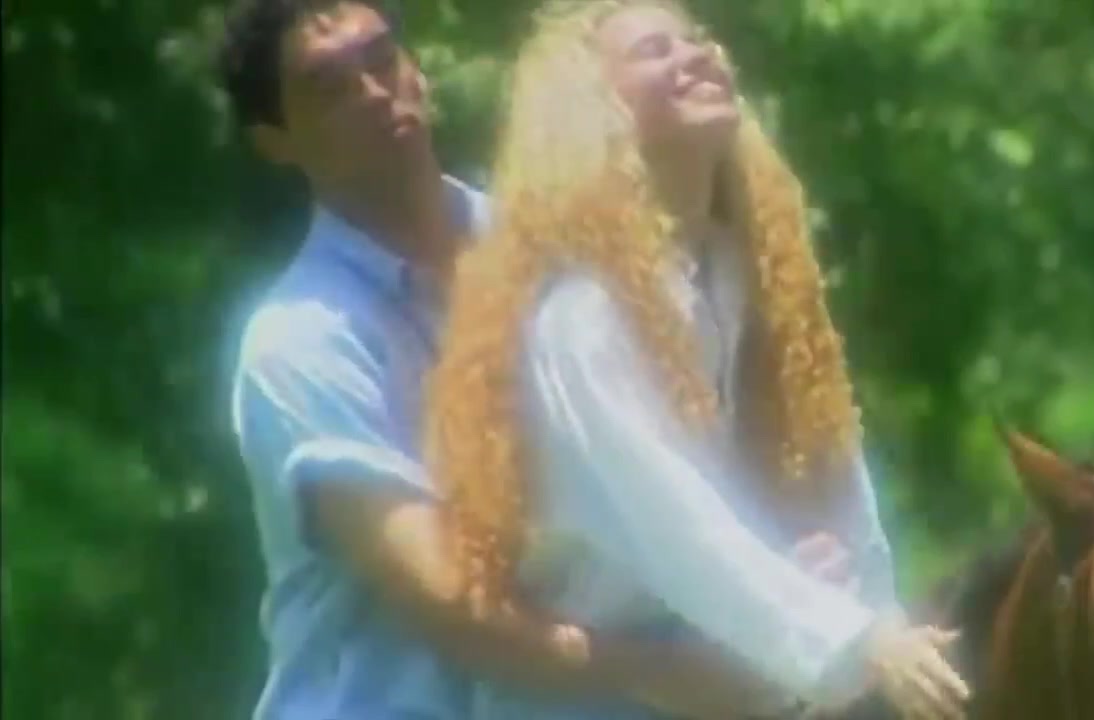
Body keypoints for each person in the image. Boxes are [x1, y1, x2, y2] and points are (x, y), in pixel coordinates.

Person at [221, 1, 788, 718]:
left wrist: (780, 569)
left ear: (415, 70)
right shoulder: (299, 342)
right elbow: (451, 600)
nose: (371, 91)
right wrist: (662, 672)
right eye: (328, 87)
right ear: (275, 141)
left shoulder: (558, 251)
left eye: (381, 58)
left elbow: (669, 462)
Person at [429, 1, 971, 719]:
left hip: (736, 676)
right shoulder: (585, 315)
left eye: (699, 41)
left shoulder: (740, 271)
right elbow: (677, 523)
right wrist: (853, 640)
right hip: (592, 701)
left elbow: (829, 459)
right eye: (656, 51)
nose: (697, 57)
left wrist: (879, 610)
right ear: (597, 110)